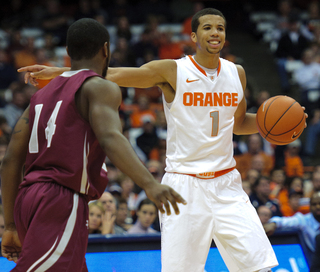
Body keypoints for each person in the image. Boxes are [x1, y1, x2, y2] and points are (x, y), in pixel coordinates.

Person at [19, 8, 295, 272]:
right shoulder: (173, 70)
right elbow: (115, 74)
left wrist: (278, 124)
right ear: (194, 37)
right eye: (207, 27)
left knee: (258, 267)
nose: (215, 33)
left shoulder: (237, 73)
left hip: (227, 184)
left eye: (220, 28)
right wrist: (58, 71)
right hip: (184, 184)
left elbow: (239, 123)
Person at [0, 18, 186, 271]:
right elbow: (111, 137)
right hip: (60, 199)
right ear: (106, 49)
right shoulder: (100, 87)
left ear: (68, 52)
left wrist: (10, 224)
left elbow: (11, 159)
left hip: (27, 198)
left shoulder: (40, 96)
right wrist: (150, 184)